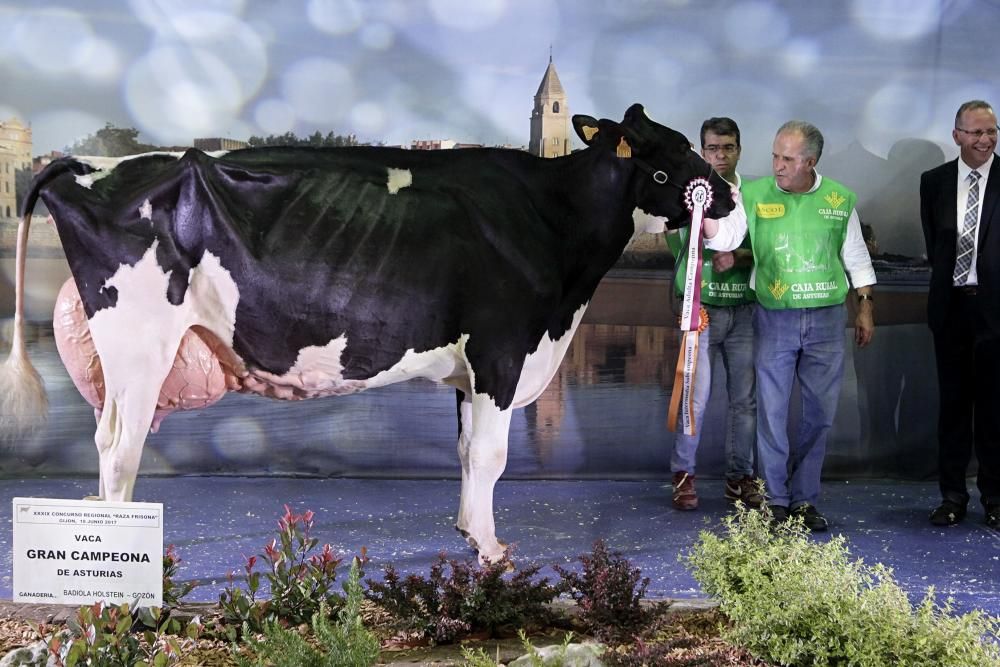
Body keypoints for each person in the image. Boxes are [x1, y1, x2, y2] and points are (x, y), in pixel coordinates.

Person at [704, 120, 876, 531]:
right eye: (775, 156)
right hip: (774, 317)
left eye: (787, 159)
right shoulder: (754, 193)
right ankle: (776, 501)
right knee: (772, 413)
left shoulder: (839, 199)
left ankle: (805, 500)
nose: (777, 166)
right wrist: (704, 217)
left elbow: (856, 258)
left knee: (819, 415)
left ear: (810, 162)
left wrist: (865, 308)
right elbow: (726, 237)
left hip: (827, 321)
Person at [666, 117, 761, 511]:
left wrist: (737, 255)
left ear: (739, 149)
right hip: (699, 310)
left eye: (728, 148)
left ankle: (740, 476)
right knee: (695, 397)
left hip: (744, 309)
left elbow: (768, 251)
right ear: (701, 151)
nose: (720, 156)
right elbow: (673, 244)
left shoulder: (755, 194)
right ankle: (683, 473)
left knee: (745, 400)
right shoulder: (684, 194)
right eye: (712, 149)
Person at [920, 100, 1000, 528]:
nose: (985, 140)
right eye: (975, 133)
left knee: (994, 409)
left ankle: (995, 497)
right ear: (957, 136)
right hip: (950, 308)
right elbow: (936, 245)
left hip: (996, 312)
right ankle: (952, 497)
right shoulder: (933, 182)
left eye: (991, 131)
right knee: (952, 407)